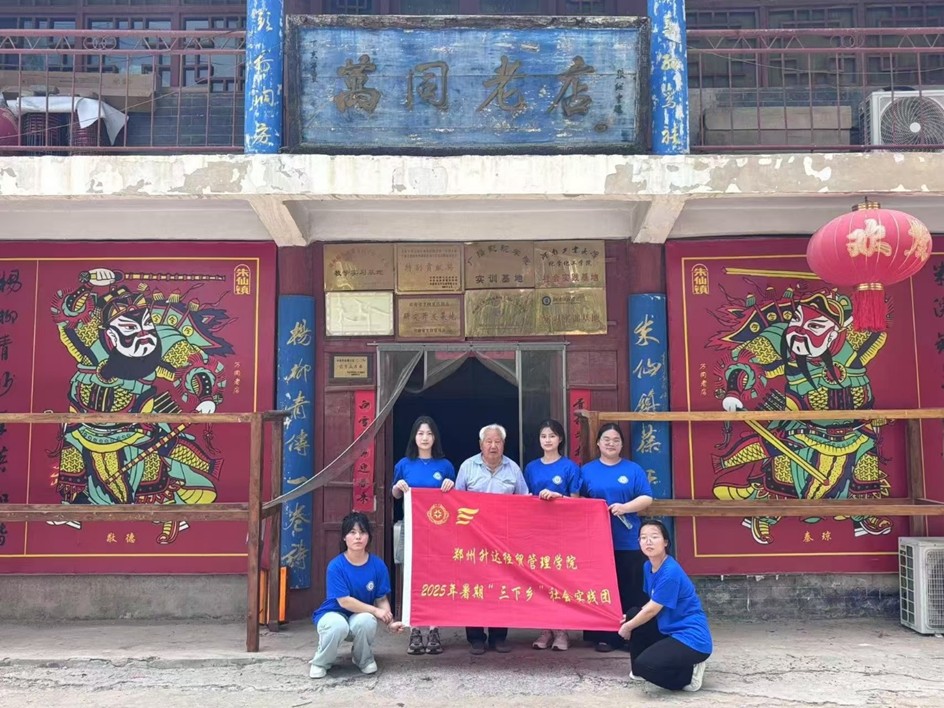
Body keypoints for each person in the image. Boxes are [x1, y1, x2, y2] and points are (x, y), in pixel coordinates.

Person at [455, 423, 529, 654]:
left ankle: (499, 636)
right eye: (489, 441)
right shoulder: (467, 467)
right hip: (473, 540)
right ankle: (475, 637)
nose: (493, 446)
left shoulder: (513, 469)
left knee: (500, 586)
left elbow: (524, 500)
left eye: (497, 441)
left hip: (502, 540)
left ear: (503, 444)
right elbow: (455, 502)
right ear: (481, 444)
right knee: (474, 588)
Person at [580, 423, 653, 652]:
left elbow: (647, 498)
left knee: (630, 589)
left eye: (616, 440)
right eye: (606, 439)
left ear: (622, 445)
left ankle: (631, 635)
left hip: (628, 540)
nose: (611, 444)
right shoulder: (587, 471)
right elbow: (578, 501)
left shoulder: (633, 470)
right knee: (602, 589)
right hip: (596, 542)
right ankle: (604, 636)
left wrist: (625, 507)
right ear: (598, 443)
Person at [618, 520, 712, 692]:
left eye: (654, 537)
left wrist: (628, 627)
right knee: (633, 613)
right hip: (669, 627)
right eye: (643, 537)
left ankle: (689, 674)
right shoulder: (648, 566)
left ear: (666, 542)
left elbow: (653, 610)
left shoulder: (670, 572)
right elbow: (653, 601)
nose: (648, 541)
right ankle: (640, 670)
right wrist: (632, 619)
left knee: (647, 666)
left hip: (690, 636)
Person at [309, 512, 404, 678]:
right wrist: (375, 611)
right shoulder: (336, 566)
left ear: (369, 536)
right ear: (344, 537)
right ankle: (321, 662)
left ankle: (363, 659)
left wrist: (390, 622)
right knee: (337, 625)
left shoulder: (378, 565)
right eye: (352, 532)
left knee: (366, 620)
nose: (358, 537)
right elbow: (345, 601)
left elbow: (381, 598)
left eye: (362, 532)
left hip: (359, 616)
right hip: (332, 614)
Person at [391, 415, 456, 655]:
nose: (425, 438)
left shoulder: (445, 465)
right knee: (412, 576)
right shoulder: (404, 464)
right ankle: (415, 629)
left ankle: (434, 628)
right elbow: (395, 495)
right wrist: (398, 487)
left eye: (429, 433)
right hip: (412, 529)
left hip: (438, 531)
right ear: (414, 437)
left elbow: (455, 499)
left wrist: (450, 486)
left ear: (435, 437)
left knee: (436, 576)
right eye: (420, 433)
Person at [523, 418, 581, 652]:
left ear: (560, 439)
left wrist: (558, 498)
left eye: (552, 436)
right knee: (540, 580)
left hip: (562, 531)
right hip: (537, 531)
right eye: (543, 436)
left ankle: (562, 630)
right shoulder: (531, 467)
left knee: (560, 580)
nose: (547, 440)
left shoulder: (570, 467)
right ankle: (545, 629)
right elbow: (524, 497)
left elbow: (576, 501)